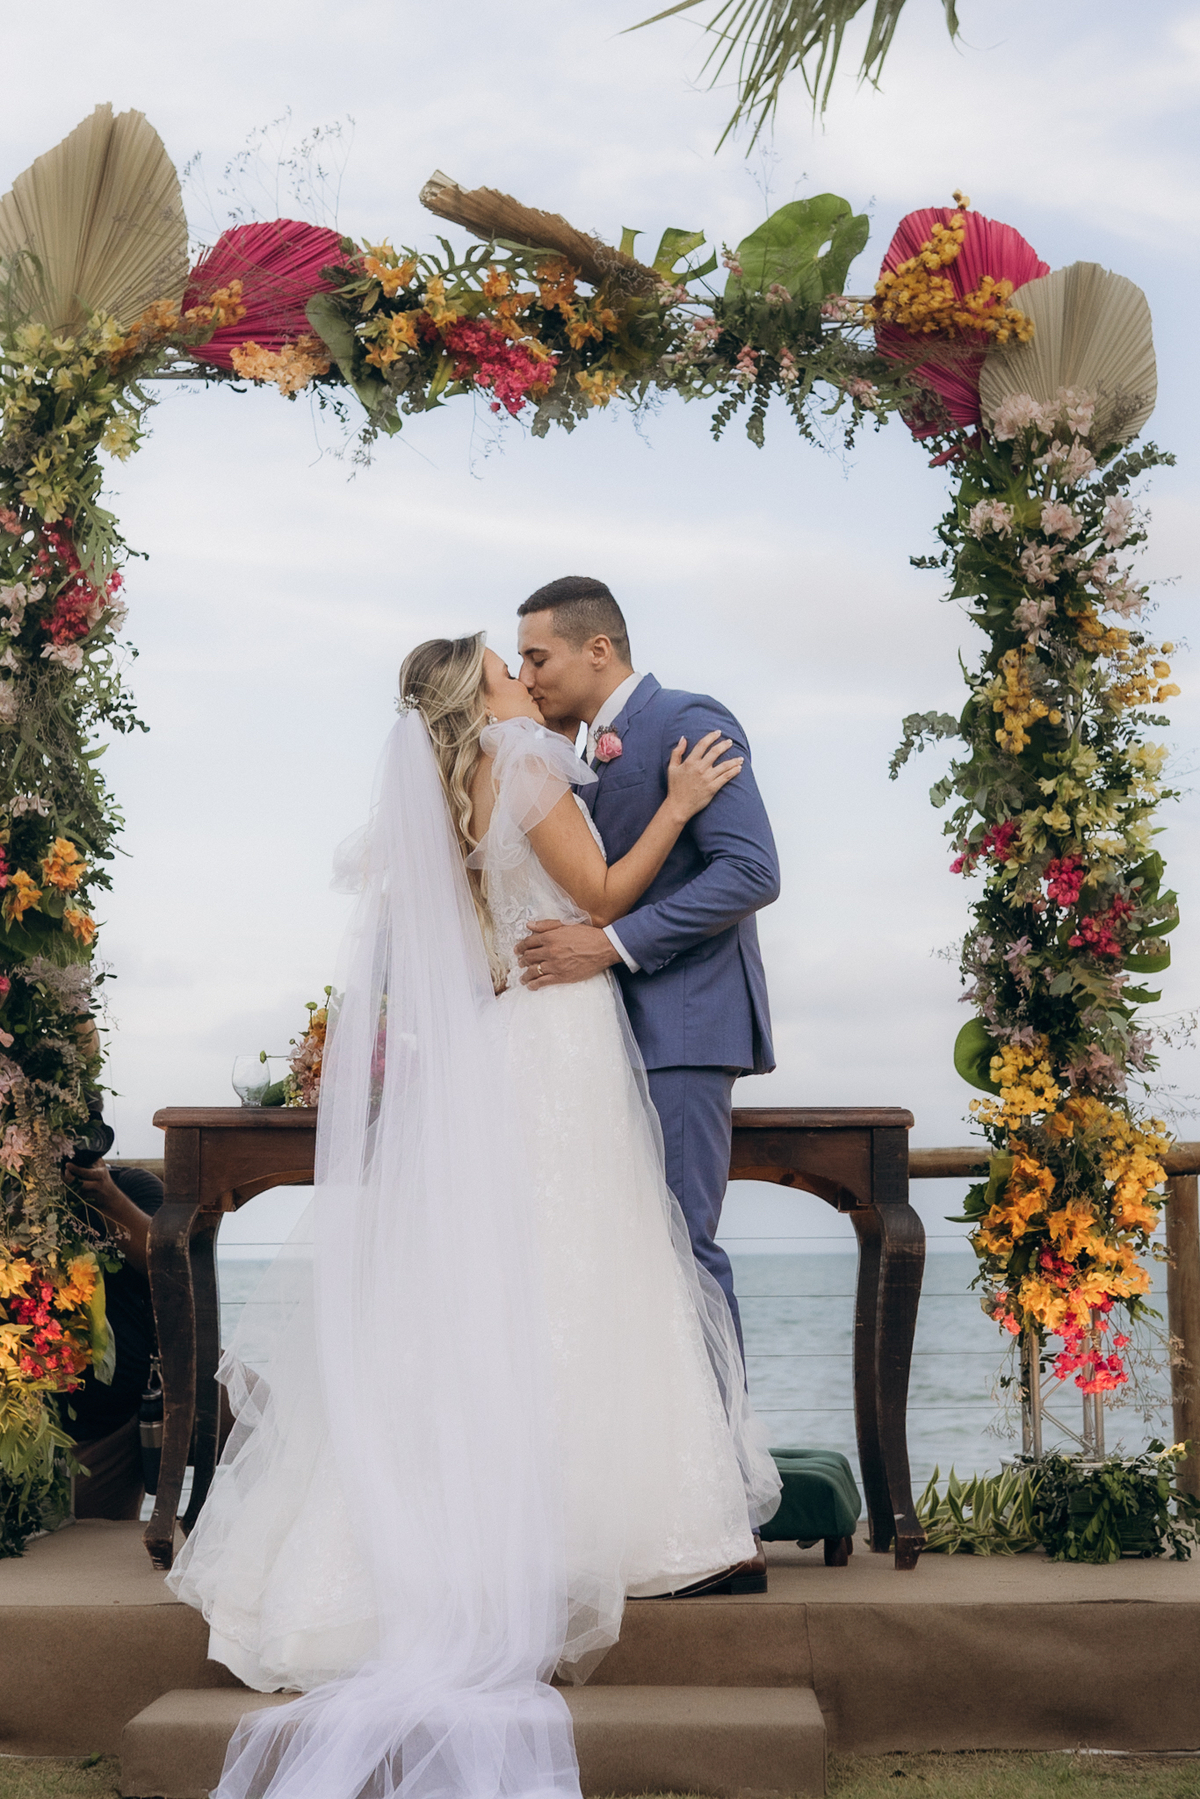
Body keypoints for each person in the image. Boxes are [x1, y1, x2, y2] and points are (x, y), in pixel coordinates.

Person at [166, 632, 780, 1799]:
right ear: (483, 690)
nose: (523, 672)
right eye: (510, 660)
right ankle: (604, 1528)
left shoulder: (452, 791)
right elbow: (597, 896)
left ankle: (483, 1524)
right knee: (588, 1271)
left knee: (512, 1282)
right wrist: (682, 801)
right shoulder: (525, 760)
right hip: (561, 1037)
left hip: (510, 1040)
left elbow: (481, 935)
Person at [514, 577, 779, 1359]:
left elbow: (750, 872)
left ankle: (724, 1465)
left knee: (682, 1250)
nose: (527, 677)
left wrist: (611, 943)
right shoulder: (576, 750)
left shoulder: (688, 720)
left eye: (539, 656)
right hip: (607, 1042)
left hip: (685, 1029)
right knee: (624, 1256)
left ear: (599, 649)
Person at [61, 1132, 164, 1520]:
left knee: (271, 1425)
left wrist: (109, 1198)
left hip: (150, 1394)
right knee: (81, 1550)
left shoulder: (130, 1186)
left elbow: (170, 1269)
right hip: (81, 1435)